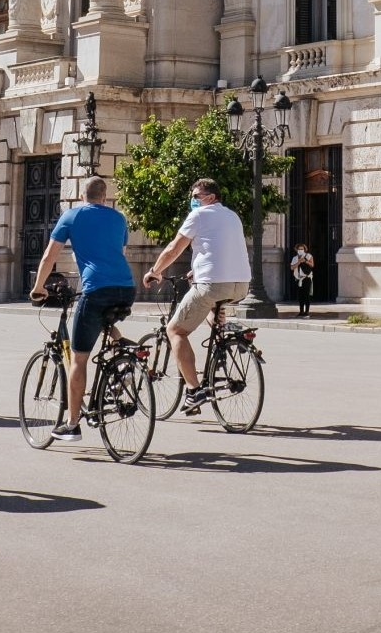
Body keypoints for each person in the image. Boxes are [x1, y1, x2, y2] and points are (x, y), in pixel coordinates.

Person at [29, 177, 137, 442]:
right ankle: (121, 355)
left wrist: (38, 287)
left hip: (96, 288)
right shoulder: (119, 218)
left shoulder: (72, 216)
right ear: (105, 197)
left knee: (79, 359)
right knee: (103, 320)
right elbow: (119, 252)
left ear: (81, 196)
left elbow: (49, 256)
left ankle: (72, 424)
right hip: (126, 287)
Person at [142, 178, 252, 412]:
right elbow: (219, 249)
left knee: (175, 331)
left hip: (212, 285)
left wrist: (155, 271)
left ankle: (194, 391)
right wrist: (196, 269)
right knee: (210, 304)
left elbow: (174, 248)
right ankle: (222, 344)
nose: (192, 201)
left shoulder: (199, 215)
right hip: (241, 285)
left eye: (195, 197)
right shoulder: (232, 216)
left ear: (210, 197)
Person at [288, 242, 317, 319]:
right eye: (299, 249)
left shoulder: (308, 256)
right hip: (298, 278)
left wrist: (305, 261)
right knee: (300, 296)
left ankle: (307, 311)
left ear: (304, 249)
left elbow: (312, 265)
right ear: (297, 250)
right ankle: (301, 311)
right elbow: (292, 267)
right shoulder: (294, 258)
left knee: (306, 295)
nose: (300, 250)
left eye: (302, 249)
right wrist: (299, 262)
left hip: (306, 278)